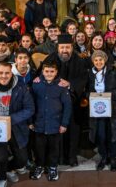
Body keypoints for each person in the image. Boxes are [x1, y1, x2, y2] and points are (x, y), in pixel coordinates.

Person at [41, 34, 90, 166]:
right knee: (56, 133)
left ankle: (71, 158)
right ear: (58, 48)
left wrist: (70, 84)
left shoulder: (79, 61)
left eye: (67, 47)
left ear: (71, 47)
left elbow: (83, 79)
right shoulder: (50, 58)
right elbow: (42, 75)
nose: (64, 50)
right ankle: (57, 159)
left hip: (73, 103)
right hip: (54, 104)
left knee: (73, 132)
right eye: (62, 47)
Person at [87, 50, 116, 171]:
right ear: (93, 61)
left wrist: (109, 95)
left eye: (101, 59)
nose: (98, 62)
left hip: (115, 109)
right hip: (97, 109)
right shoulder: (90, 74)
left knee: (114, 135)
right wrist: (91, 96)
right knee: (101, 135)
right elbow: (87, 90)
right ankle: (104, 157)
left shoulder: (115, 72)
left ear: (105, 60)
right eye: (96, 60)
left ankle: (113, 158)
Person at [29, 62, 72, 181]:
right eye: (46, 71)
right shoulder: (36, 84)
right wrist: (30, 121)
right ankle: (39, 166)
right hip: (39, 124)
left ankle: (53, 167)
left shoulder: (61, 86)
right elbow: (30, 104)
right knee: (39, 148)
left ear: (56, 72)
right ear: (42, 71)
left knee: (54, 148)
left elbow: (67, 106)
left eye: (52, 71)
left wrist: (64, 123)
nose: (49, 74)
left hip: (55, 124)